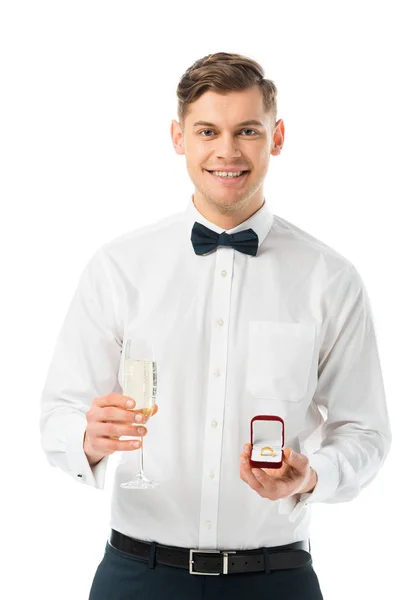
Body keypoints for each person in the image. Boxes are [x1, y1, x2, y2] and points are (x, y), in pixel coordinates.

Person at [39, 51, 391, 600]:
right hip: (137, 577)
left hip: (277, 581)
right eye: (208, 131)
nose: (227, 151)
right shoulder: (119, 268)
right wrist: (85, 437)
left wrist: (313, 474)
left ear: (276, 137)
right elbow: (58, 412)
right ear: (179, 138)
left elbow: (366, 432)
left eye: (246, 130)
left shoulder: (331, 278)